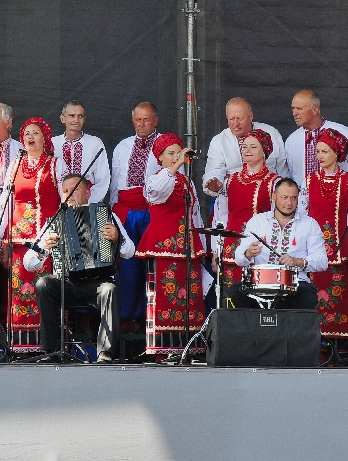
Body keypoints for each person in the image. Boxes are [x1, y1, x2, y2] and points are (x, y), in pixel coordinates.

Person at [25, 174, 135, 363]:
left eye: (74, 190)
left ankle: (105, 354)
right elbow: (29, 263)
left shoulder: (106, 216)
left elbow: (130, 251)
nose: (69, 195)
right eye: (65, 191)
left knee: (109, 289)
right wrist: (43, 249)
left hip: (96, 285)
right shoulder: (55, 221)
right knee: (43, 284)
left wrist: (118, 238)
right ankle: (51, 350)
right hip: (66, 284)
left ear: (88, 193)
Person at [135, 133, 207, 357]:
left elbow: (195, 215)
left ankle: (188, 348)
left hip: (187, 248)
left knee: (189, 300)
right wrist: (175, 166)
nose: (176, 157)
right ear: (160, 157)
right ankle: (161, 348)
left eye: (178, 153)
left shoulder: (187, 182)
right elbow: (157, 193)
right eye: (171, 153)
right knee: (163, 299)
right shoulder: (156, 179)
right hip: (162, 248)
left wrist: (202, 246)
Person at [0, 117, 61, 353]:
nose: (30, 137)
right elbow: (5, 201)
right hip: (19, 239)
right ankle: (20, 345)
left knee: (44, 289)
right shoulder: (15, 166)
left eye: (36, 133)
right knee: (18, 291)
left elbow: (65, 198)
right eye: (26, 134)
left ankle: (47, 344)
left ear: (45, 138)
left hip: (46, 239)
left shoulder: (55, 165)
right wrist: (0, 235)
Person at [297, 129, 348, 347]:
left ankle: (338, 347)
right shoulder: (309, 181)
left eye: (325, 151)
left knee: (338, 296)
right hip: (313, 249)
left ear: (337, 153)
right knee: (313, 294)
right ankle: (312, 345)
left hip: (340, 248)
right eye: (318, 151)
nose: (320, 156)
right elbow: (301, 216)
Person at [229, 178, 326, 310]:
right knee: (236, 291)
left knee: (307, 296)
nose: (289, 203)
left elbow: (322, 261)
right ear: (274, 197)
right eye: (284, 197)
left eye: (293, 198)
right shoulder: (257, 221)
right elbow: (239, 259)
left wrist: (297, 261)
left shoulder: (309, 224)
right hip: (261, 282)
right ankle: (258, 323)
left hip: (295, 283)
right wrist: (248, 253)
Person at [109, 102, 161, 325]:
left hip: (152, 211)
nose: (141, 124)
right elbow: (115, 182)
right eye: (137, 120)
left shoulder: (165, 144)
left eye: (146, 119)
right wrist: (113, 209)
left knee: (150, 264)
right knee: (127, 265)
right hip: (126, 212)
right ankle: (126, 317)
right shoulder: (123, 145)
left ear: (155, 120)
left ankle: (149, 317)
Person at [210, 128, 281, 292]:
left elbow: (278, 220)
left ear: (264, 152)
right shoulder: (230, 180)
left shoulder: (274, 182)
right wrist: (216, 251)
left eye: (253, 147)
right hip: (231, 248)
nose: (247, 150)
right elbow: (220, 216)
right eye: (244, 147)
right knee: (232, 296)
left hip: (260, 249)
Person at [202, 97, 288, 197]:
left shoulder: (270, 133)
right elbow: (214, 170)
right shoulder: (219, 141)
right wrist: (214, 183)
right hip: (232, 196)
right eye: (231, 119)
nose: (235, 124)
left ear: (251, 116)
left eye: (240, 119)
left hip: (269, 194)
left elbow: (282, 168)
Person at [284, 89, 348, 184]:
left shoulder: (342, 133)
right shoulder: (292, 140)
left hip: (338, 192)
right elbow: (291, 174)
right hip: (303, 193)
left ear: (314, 109)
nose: (294, 113)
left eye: (299, 108)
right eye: (293, 108)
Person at [52, 101, 111, 204]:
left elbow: (103, 180)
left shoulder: (95, 143)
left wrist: (87, 203)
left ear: (84, 119)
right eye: (71, 116)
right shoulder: (52, 143)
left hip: (87, 201)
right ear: (62, 118)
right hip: (56, 202)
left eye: (80, 116)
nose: (76, 120)